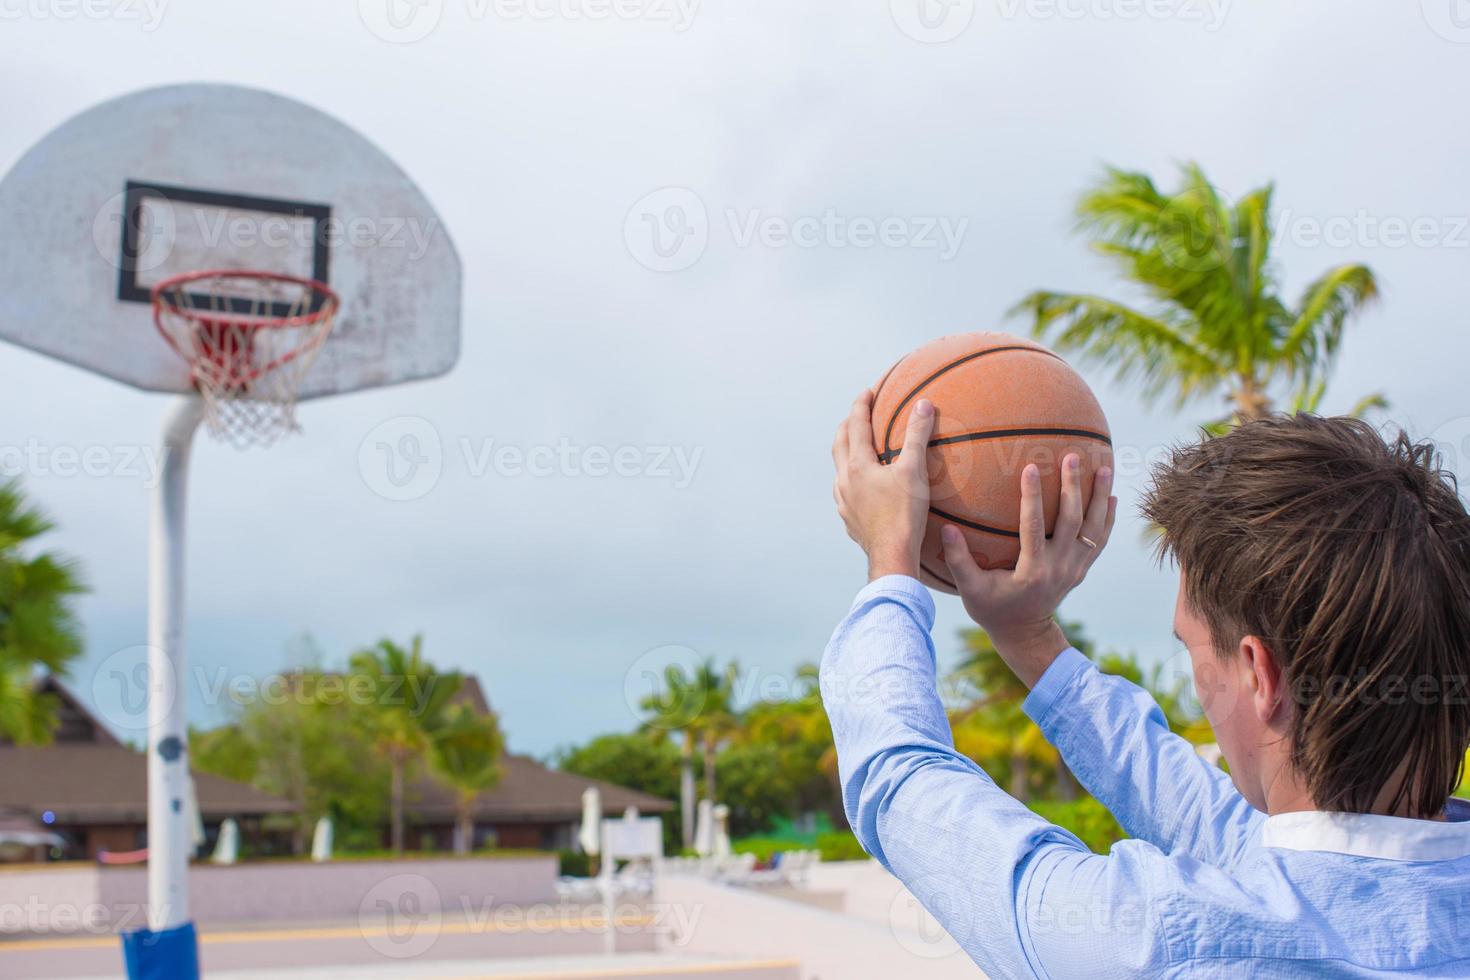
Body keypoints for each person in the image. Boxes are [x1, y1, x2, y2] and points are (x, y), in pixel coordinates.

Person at [823, 391, 1470, 978]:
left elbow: (902, 783)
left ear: (1259, 675)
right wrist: (1026, 634)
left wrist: (890, 565)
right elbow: (1216, 823)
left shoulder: (1163, 943)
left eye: (1192, 647)